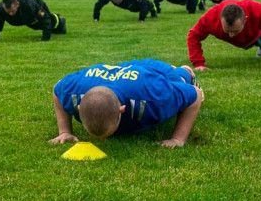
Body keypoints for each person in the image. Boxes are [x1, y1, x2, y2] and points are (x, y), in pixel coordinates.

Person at [50, 59, 203, 148]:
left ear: (121, 110)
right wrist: (64, 131)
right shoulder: (73, 90)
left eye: (106, 134)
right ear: (79, 107)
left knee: (179, 79)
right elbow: (57, 90)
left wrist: (177, 139)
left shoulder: (154, 96)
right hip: (123, 69)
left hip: (155, 72)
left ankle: (185, 71)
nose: (103, 140)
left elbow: (195, 96)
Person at [187, 0, 261, 72]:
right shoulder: (210, 17)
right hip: (244, 40)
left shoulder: (257, 10)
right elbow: (193, 36)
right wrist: (199, 63)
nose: (231, 35)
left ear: (245, 20)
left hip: (259, 34)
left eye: (235, 31)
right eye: (227, 30)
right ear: (220, 20)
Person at [0, 0, 66, 42]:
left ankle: (60, 21)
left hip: (38, 5)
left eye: (12, 11)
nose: (10, 14)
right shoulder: (0, 8)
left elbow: (44, 18)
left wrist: (45, 39)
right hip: (24, 15)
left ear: (17, 4)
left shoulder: (30, 4)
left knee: (49, 22)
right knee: (34, 25)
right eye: (8, 12)